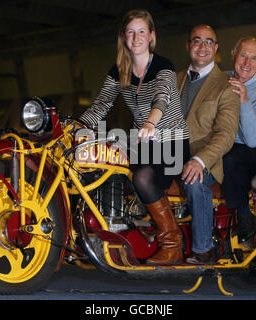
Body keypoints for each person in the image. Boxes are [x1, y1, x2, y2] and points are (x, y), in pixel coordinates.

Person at [78, 9, 190, 265]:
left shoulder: (164, 66)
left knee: (142, 176)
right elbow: (102, 104)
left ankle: (172, 244)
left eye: (141, 31)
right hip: (144, 143)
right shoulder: (119, 71)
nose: (136, 37)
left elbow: (163, 97)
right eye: (130, 32)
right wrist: (78, 125)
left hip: (171, 141)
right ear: (123, 37)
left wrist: (151, 122)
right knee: (107, 167)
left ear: (151, 36)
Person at [177, 25, 240, 264]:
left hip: (208, 159)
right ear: (188, 46)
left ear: (215, 48)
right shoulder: (174, 79)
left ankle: (204, 250)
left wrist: (199, 160)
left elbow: (226, 133)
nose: (202, 47)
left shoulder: (227, 85)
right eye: (197, 41)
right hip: (170, 152)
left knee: (194, 181)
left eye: (208, 42)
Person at [223, 37, 256, 247]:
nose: (246, 62)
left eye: (253, 58)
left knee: (230, 157)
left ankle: (245, 217)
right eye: (243, 55)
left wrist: (244, 100)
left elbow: (254, 140)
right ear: (233, 54)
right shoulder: (219, 80)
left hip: (251, 153)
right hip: (220, 145)